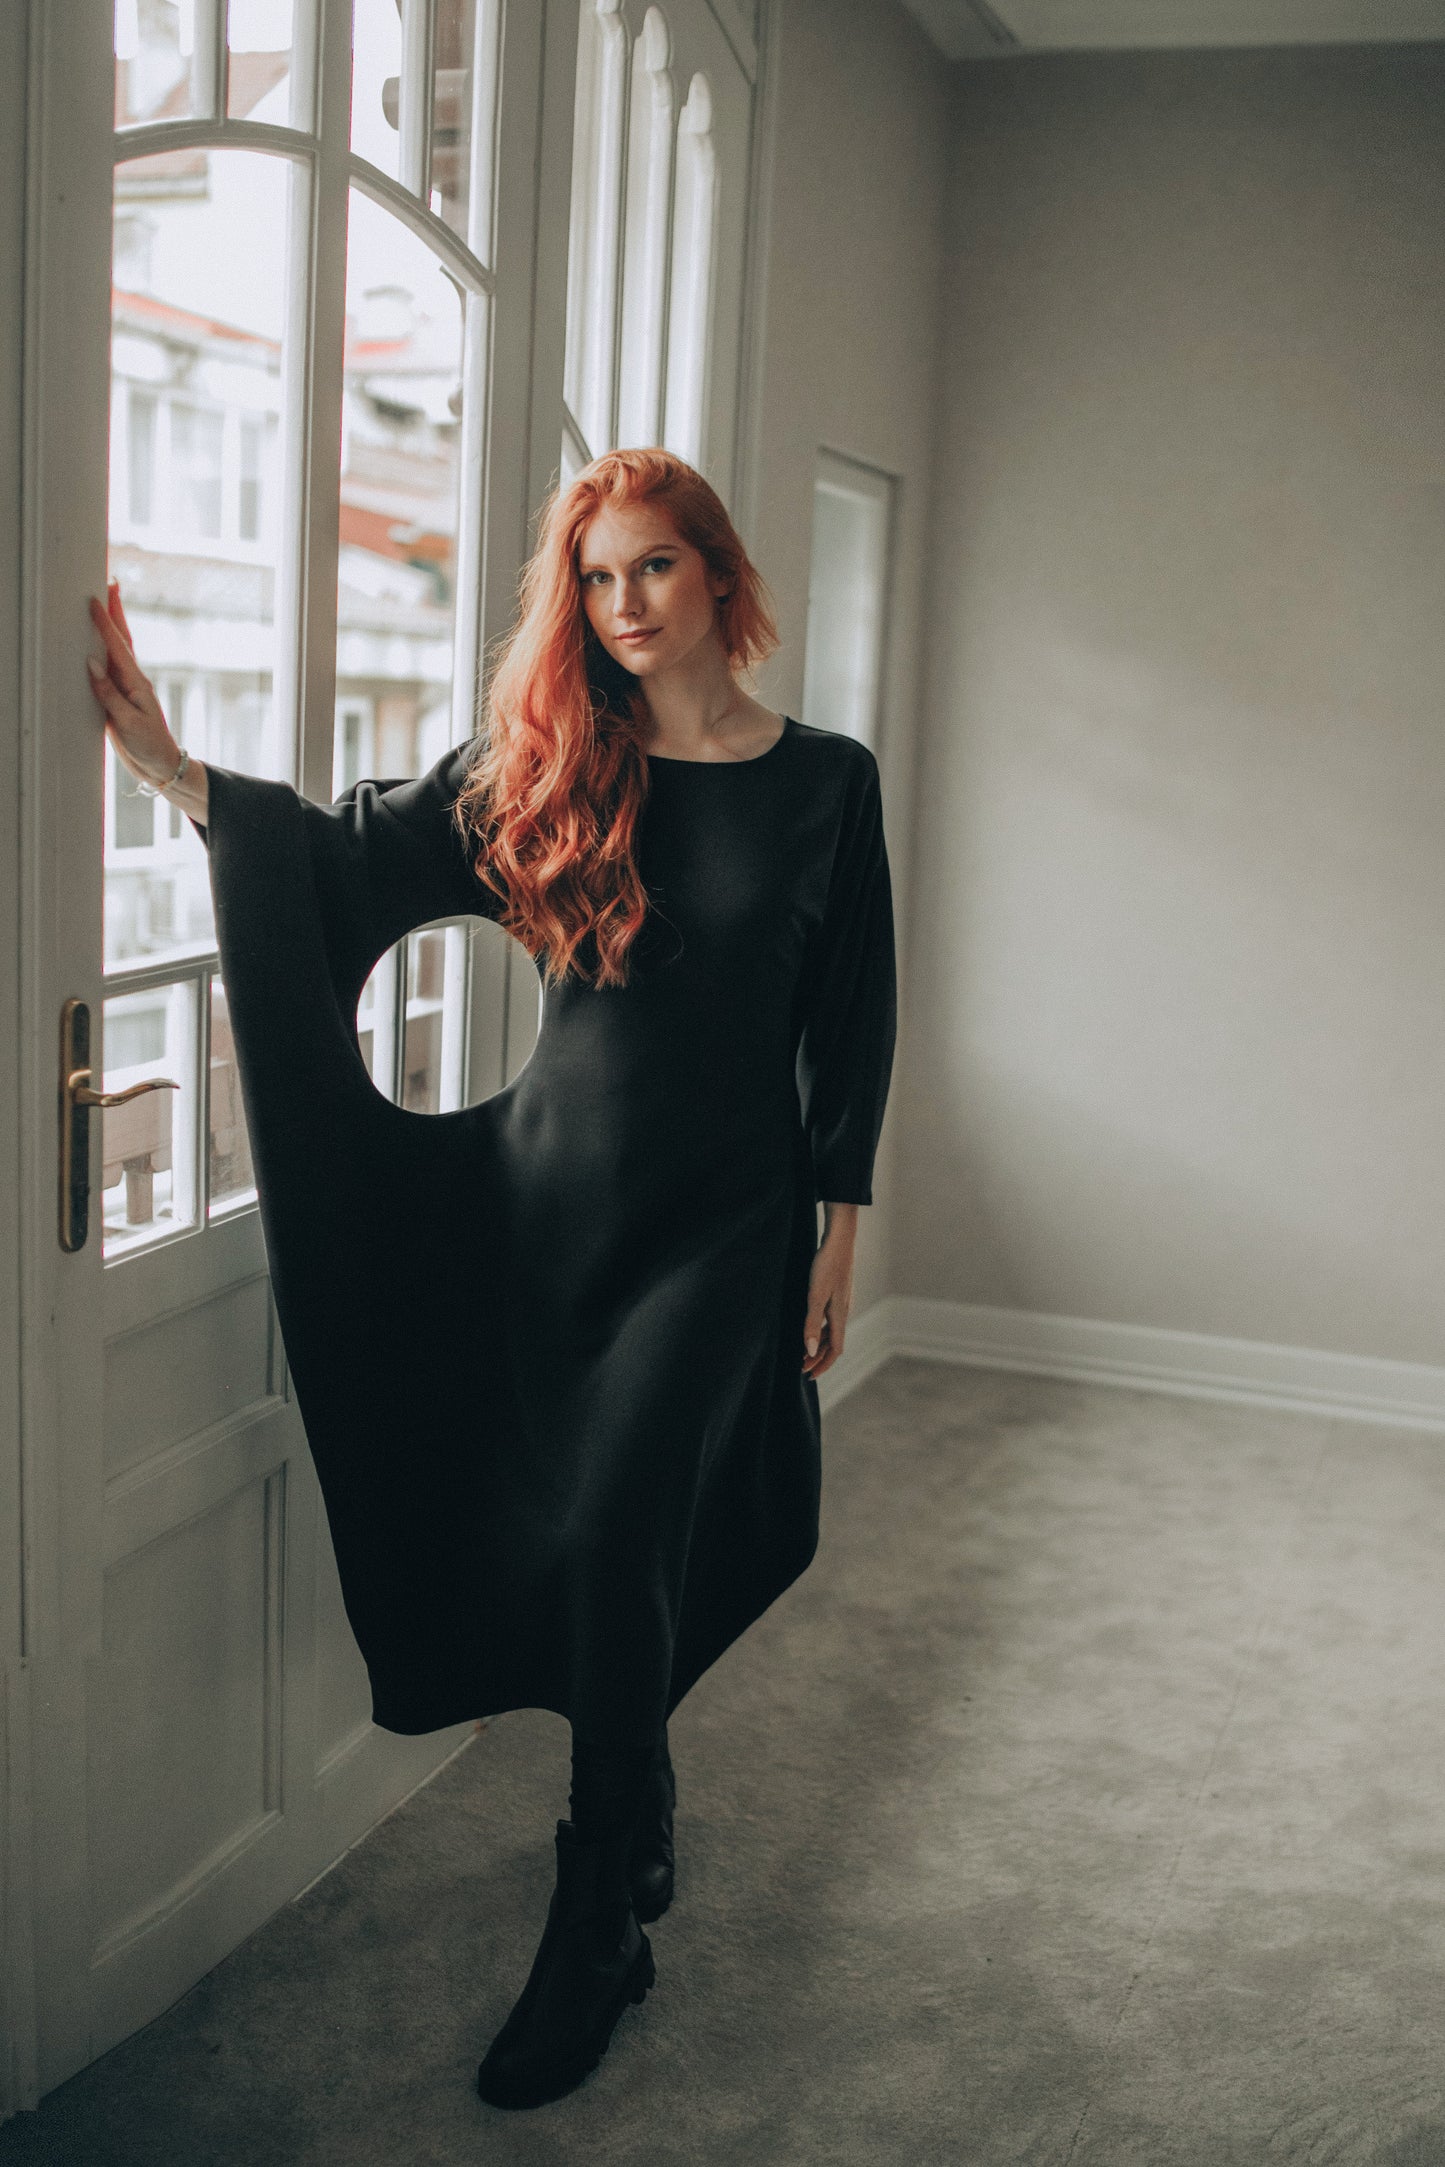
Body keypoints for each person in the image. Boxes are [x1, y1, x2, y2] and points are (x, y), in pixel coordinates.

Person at [86, 446, 897, 2111]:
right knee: (596, 1532)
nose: (622, 606)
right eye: (597, 580)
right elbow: (340, 862)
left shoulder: (825, 781)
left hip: (725, 1224)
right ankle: (638, 1793)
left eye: (653, 568)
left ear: (717, 576)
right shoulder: (547, 768)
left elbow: (852, 1017)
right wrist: (182, 776)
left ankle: (596, 1909)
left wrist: (840, 1227)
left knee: (620, 1523)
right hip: (551, 1208)